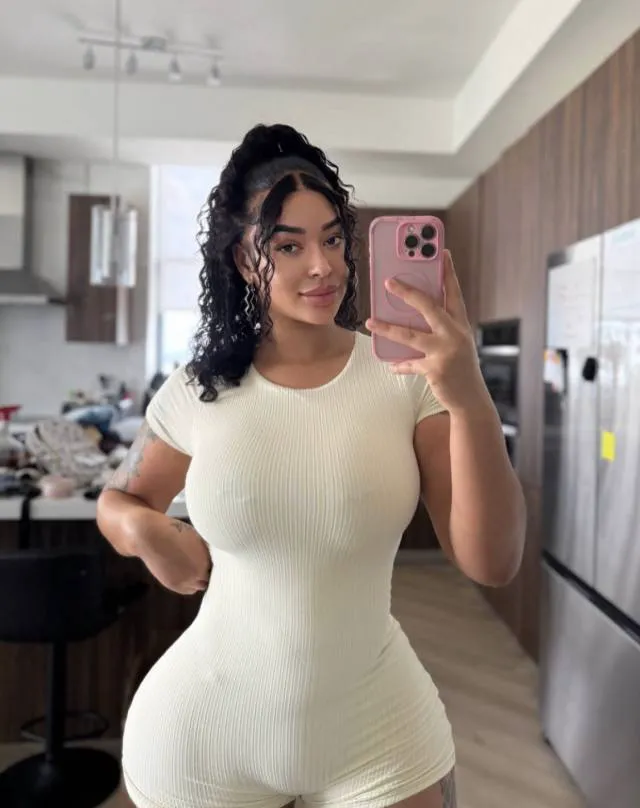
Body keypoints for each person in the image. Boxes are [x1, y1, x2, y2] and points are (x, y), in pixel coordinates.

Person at [97, 123, 526, 808]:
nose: (322, 265)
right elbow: (119, 502)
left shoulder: (409, 379)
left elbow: (492, 561)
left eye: (332, 239)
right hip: (204, 735)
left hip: (376, 731)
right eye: (288, 246)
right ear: (244, 260)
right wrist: (148, 533)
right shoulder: (200, 389)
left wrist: (469, 393)